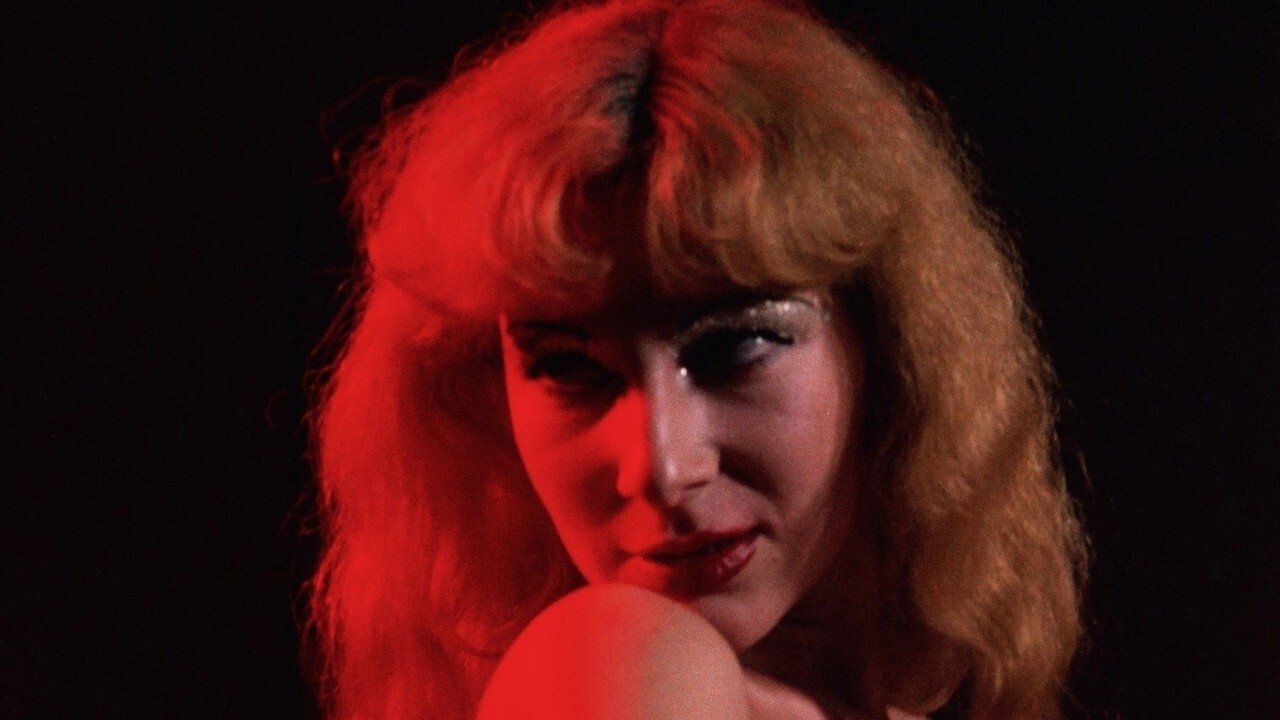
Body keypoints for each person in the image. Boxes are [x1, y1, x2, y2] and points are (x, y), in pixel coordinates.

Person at [304, 0, 1087, 718]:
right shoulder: (621, 665)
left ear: (888, 342)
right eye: (570, 370)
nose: (662, 466)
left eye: (733, 348)